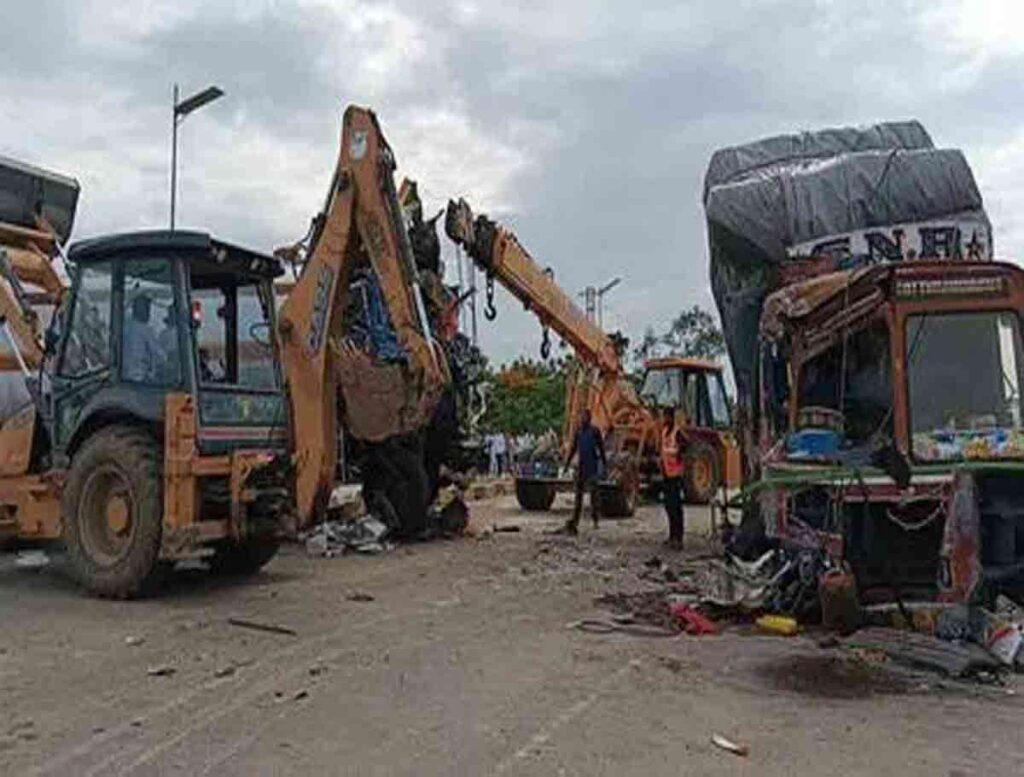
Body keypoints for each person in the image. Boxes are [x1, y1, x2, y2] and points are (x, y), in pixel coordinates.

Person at [560, 409, 607, 535]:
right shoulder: (578, 432)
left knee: (594, 495)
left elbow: (601, 448)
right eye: (581, 417)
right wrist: (566, 464)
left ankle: (595, 519)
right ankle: (575, 520)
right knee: (578, 496)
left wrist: (604, 464)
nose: (582, 419)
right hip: (581, 467)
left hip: (592, 467)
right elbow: (573, 448)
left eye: (584, 417)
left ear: (589, 418)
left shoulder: (595, 431)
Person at [660, 407, 687, 550]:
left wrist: (675, 452)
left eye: (665, 417)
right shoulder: (664, 431)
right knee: (669, 506)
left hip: (676, 475)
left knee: (676, 507)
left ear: (671, 417)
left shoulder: (678, 432)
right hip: (666, 474)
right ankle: (672, 536)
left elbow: (684, 446)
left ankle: (679, 538)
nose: (663, 419)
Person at [122, 295, 163, 382]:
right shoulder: (146, 330)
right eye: (147, 309)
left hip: (123, 376)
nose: (149, 313)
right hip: (139, 377)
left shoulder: (125, 326)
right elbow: (158, 355)